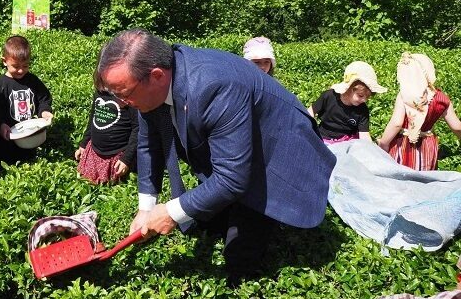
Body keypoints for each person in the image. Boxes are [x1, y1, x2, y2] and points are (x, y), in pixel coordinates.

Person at [96, 29, 336, 284]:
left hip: (276, 155)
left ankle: (240, 292)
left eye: (124, 93)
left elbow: (233, 178)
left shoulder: (215, 86)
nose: (121, 103)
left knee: (239, 258)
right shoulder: (156, 84)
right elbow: (147, 144)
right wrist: (146, 210)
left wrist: (170, 212)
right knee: (207, 222)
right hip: (238, 153)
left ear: (156, 76)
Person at [378, 52, 461, 171]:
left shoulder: (404, 95)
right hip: (428, 145)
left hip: (404, 145)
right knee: (425, 181)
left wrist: (383, 143)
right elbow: (457, 127)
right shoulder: (441, 97)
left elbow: (396, 123)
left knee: (401, 180)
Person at [0, 35, 53, 164]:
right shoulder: (1, 84)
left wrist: (44, 111)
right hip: (10, 134)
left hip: (30, 131)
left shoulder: (33, 80)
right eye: (15, 66)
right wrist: (2, 124)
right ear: (4, 61)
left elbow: (44, 98)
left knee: (32, 158)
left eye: (25, 66)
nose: (21, 70)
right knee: (9, 158)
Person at [74, 71, 139, 184]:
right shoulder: (100, 92)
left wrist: (126, 159)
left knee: (112, 181)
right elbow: (93, 119)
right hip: (96, 149)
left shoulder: (126, 96)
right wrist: (83, 144)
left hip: (118, 153)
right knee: (86, 178)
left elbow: (137, 128)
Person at [308, 61, 387, 144]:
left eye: (367, 97)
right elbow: (310, 112)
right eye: (360, 95)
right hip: (323, 137)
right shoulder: (329, 96)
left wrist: (369, 148)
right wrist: (308, 130)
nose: (364, 100)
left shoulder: (362, 109)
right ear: (349, 89)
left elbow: (364, 135)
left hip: (348, 141)